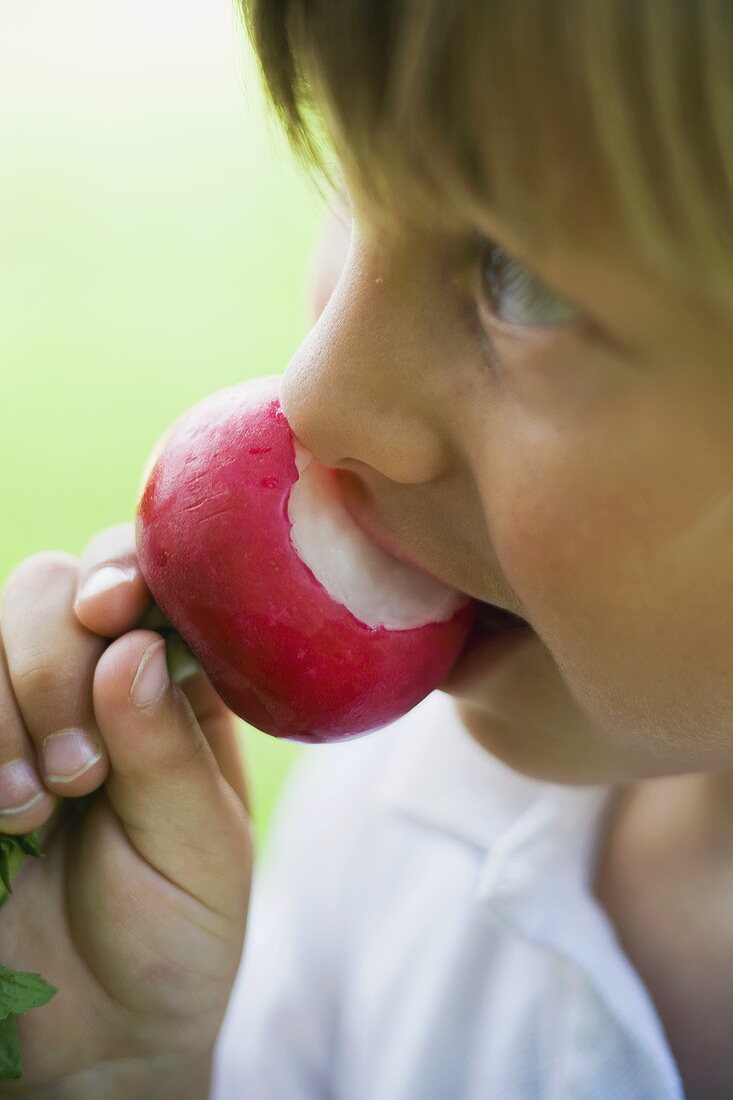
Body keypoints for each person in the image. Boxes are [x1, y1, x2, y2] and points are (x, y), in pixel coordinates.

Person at [1, 1, 732, 1096]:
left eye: (516, 278)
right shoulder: (398, 832)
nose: (317, 391)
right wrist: (118, 1075)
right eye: (348, 170)